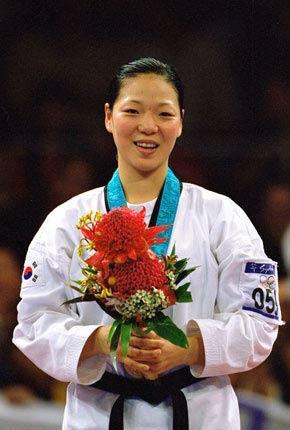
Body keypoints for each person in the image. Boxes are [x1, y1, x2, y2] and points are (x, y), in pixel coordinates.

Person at [13, 58, 282, 430]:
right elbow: (32, 325)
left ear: (181, 121)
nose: (148, 126)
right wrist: (102, 340)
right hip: (99, 415)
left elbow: (260, 324)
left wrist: (189, 348)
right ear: (108, 116)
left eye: (164, 113)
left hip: (202, 414)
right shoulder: (66, 222)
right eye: (133, 110)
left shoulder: (222, 216)